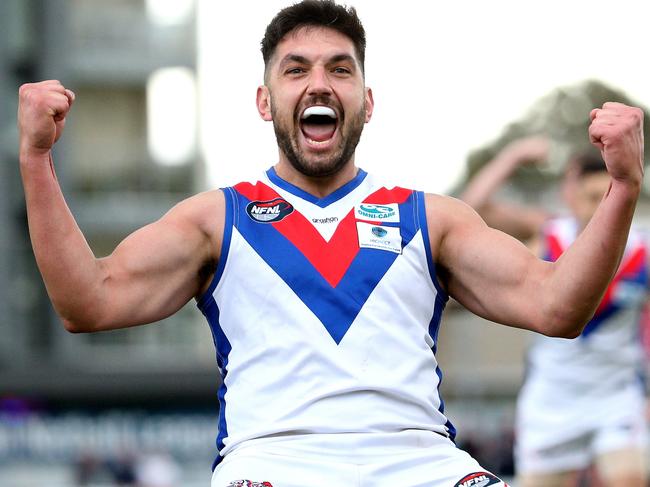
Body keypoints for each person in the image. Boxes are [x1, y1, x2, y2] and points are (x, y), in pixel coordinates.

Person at [16, 1, 645, 486]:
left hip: (419, 461)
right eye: (297, 70)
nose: (319, 84)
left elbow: (557, 307)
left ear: (366, 102)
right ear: (266, 102)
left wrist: (621, 188)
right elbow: (88, 302)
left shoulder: (432, 219)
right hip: (272, 462)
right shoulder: (215, 218)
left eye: (339, 70)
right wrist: (37, 158)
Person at [461, 138, 649, 487]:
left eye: (609, 197)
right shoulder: (547, 236)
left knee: (630, 478)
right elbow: (470, 213)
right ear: (571, 196)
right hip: (552, 401)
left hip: (616, 396)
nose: (600, 210)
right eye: (592, 198)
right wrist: (512, 155)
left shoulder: (642, 251)